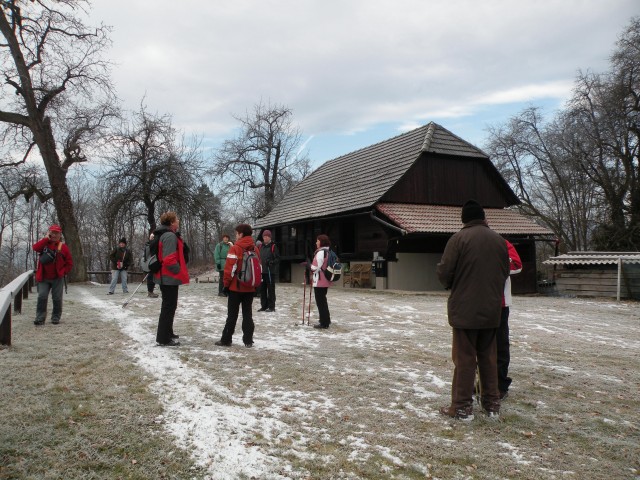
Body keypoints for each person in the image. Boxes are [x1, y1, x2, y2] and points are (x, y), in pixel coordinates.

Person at [436, 200, 509, 420]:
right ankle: (492, 404)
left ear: (464, 219)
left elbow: (445, 272)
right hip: (491, 309)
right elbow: (505, 271)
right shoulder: (499, 241)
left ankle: (461, 407)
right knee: (488, 357)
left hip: (465, 310)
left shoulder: (458, 239)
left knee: (465, 358)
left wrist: (452, 282)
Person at [215, 223, 260, 347]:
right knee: (247, 314)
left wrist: (226, 284)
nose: (235, 235)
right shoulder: (255, 248)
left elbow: (230, 269)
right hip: (250, 287)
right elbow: (258, 267)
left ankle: (226, 339)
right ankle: (248, 340)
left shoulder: (235, 248)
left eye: (236, 233)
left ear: (241, 234)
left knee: (232, 315)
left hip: (236, 287)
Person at [154, 212, 190, 346]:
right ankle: (163, 338)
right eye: (176, 219)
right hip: (168, 276)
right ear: (171, 222)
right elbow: (169, 259)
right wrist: (178, 271)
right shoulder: (169, 236)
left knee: (170, 306)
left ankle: (167, 332)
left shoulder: (167, 234)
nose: (178, 220)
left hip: (167, 277)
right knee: (168, 307)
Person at [497, 239, 523, 400]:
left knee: (500, 345)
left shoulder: (502, 243)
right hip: (476, 302)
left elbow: (516, 265)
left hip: (500, 303)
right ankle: (481, 383)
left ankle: (500, 385)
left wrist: (493, 265)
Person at [32, 224, 73, 325]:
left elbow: (69, 263)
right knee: (42, 297)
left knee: (57, 298)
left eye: (56, 233)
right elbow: (35, 248)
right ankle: (40, 318)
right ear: (49, 233)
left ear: (60, 234)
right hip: (43, 277)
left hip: (57, 278)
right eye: (52, 232)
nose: (54, 235)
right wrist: (46, 239)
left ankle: (55, 318)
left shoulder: (63, 247)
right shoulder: (44, 244)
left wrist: (63, 272)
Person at [310, 234, 333, 329]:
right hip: (326, 280)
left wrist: (308, 266)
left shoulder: (320, 253)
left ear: (321, 242)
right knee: (323, 300)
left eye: (317, 241)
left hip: (320, 280)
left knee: (320, 302)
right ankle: (326, 319)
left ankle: (324, 323)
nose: (316, 242)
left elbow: (315, 268)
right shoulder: (328, 251)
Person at [258, 230, 280, 312]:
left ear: (270, 237)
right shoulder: (260, 246)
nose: (265, 238)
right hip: (262, 271)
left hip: (270, 272)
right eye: (264, 236)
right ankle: (264, 306)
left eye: (267, 236)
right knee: (262, 290)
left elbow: (278, 259)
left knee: (270, 290)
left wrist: (271, 262)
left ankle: (271, 307)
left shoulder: (273, 246)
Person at [141, 233, 159, 298]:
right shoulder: (150, 245)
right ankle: (150, 292)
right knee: (150, 277)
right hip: (151, 262)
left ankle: (151, 291)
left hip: (151, 262)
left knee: (152, 277)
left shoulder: (149, 244)